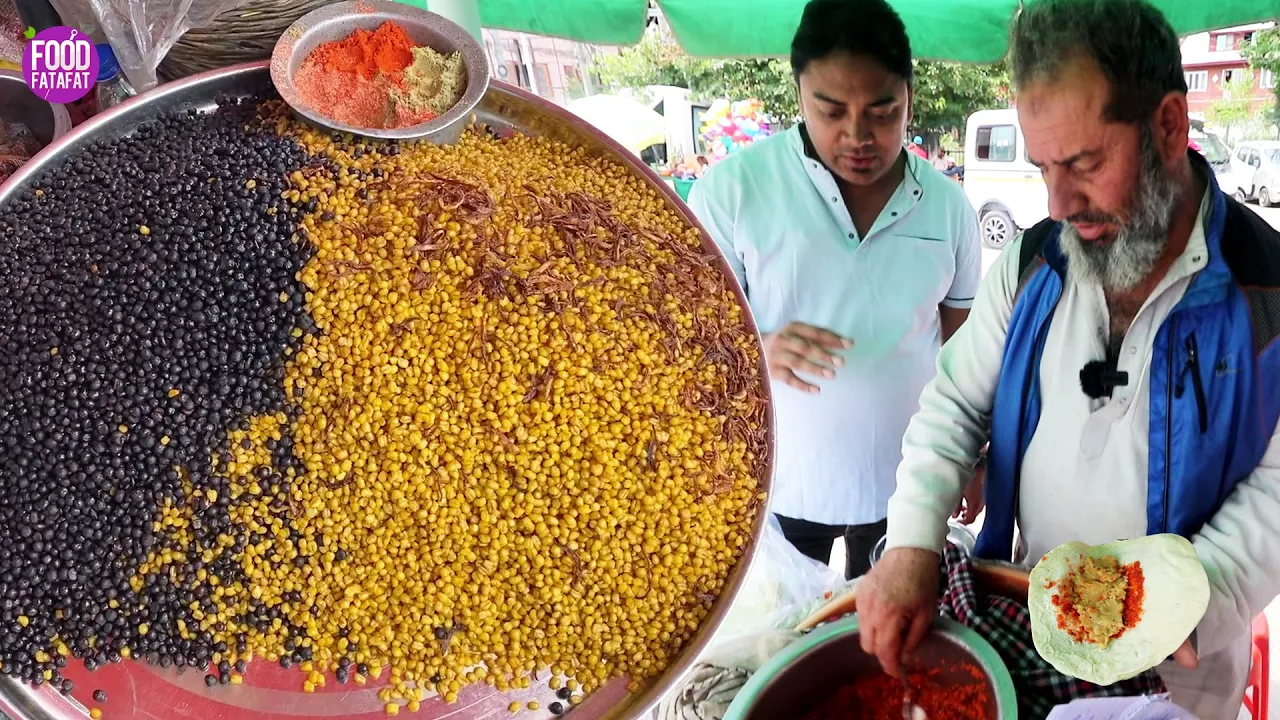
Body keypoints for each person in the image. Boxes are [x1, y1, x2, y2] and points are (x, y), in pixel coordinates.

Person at [855, 0, 1280, 716]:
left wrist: (1185, 601)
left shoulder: (1267, 293)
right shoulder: (1031, 265)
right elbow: (954, 403)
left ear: (1170, 126)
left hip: (1186, 669)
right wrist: (912, 542)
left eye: (1084, 163)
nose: (1057, 203)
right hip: (1036, 630)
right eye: (1044, 166)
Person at [686, 0, 983, 580]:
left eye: (881, 110)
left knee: (888, 648)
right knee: (790, 638)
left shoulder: (949, 209)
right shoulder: (733, 192)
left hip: (910, 486)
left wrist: (976, 457)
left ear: (909, 99)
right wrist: (757, 347)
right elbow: (690, 335)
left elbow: (964, 352)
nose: (857, 136)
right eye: (830, 110)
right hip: (781, 482)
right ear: (799, 95)